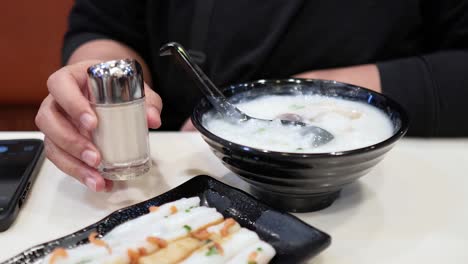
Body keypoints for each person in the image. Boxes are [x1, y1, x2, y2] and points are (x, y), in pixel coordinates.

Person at [36, 0, 468, 192]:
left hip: (391, 186)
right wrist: (105, 90)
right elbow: (104, 26)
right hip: (173, 180)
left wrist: (324, 99)